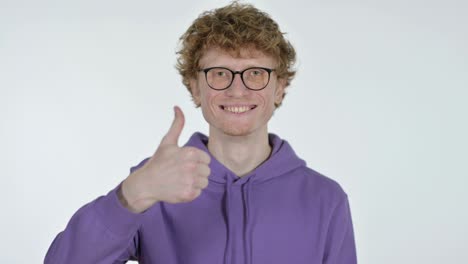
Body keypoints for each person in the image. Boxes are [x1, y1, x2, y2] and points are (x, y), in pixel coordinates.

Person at [44, 2, 357, 264]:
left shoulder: (325, 200)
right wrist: (131, 195)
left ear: (280, 87)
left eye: (256, 73)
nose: (238, 90)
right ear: (195, 87)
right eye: (220, 73)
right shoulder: (155, 184)